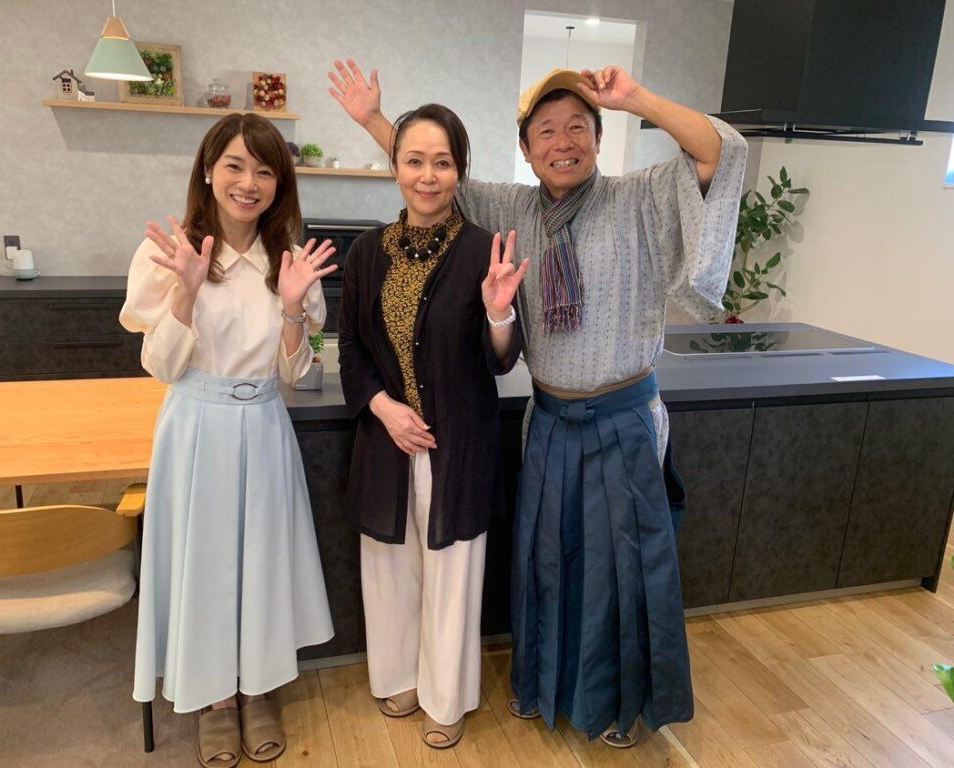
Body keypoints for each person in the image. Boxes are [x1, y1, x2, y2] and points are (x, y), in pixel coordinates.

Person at [329, 60, 747, 747]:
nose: (562, 142)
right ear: (525, 149)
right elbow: (433, 177)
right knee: (548, 566)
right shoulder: (514, 211)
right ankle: (545, 689)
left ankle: (618, 706)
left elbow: (719, 152)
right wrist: (375, 120)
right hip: (549, 420)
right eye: (545, 131)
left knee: (622, 573)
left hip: (623, 420)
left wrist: (637, 97)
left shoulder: (640, 197)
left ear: (599, 138)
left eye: (577, 127)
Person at [120, 113, 336, 767]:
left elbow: (296, 375)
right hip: (195, 427)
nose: (249, 183)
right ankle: (215, 700)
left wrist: (293, 307)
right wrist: (185, 294)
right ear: (208, 170)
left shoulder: (288, 260)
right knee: (206, 564)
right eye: (236, 166)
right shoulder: (169, 252)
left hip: (264, 425)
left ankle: (258, 686)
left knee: (261, 560)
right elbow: (162, 368)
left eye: (265, 171)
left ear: (280, 184)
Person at [337, 103, 526, 749]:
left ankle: (445, 697)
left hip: (459, 445)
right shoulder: (367, 252)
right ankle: (399, 677)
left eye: (442, 162)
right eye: (414, 161)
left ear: (459, 171)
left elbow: (502, 361)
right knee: (389, 569)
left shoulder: (484, 250)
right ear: (394, 166)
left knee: (452, 574)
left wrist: (499, 313)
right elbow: (351, 348)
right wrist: (384, 409)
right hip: (386, 442)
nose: (427, 175)